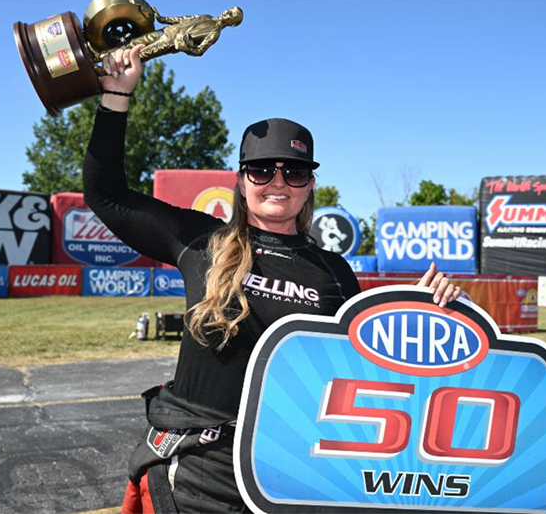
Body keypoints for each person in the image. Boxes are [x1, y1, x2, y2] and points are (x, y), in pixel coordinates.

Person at [83, 44, 462, 514]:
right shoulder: (201, 240)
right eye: (262, 170)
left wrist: (426, 315)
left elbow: (363, 368)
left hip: (290, 473)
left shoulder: (333, 272)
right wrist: (116, 97)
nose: (278, 181)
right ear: (242, 181)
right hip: (199, 472)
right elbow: (106, 196)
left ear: (309, 186)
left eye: (295, 171)